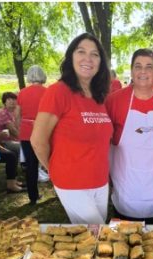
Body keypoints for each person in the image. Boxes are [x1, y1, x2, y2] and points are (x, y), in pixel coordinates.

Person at [32, 33, 114, 224]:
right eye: (81, 52)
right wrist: (54, 170)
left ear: (101, 62)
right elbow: (37, 141)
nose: (88, 58)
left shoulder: (98, 96)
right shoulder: (58, 92)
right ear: (71, 57)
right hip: (72, 182)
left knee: (97, 240)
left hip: (100, 181)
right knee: (97, 237)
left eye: (95, 54)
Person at [105, 48, 153, 225]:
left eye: (149, 67)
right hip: (125, 186)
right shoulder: (114, 100)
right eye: (138, 66)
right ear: (131, 70)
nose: (143, 71)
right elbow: (103, 141)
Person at [18, 65, 48, 205]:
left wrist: (21, 127)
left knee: (31, 165)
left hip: (26, 132)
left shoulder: (22, 93)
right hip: (43, 131)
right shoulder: (48, 92)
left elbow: (17, 115)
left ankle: (33, 197)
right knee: (51, 162)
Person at [0, 93, 24, 193]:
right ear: (4, 102)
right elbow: (13, 131)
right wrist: (25, 141)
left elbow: (19, 127)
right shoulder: (3, 113)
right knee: (22, 148)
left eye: (14, 100)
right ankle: (32, 173)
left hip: (10, 140)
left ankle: (14, 180)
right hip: (1, 142)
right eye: (9, 100)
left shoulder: (12, 113)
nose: (12, 102)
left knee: (18, 150)